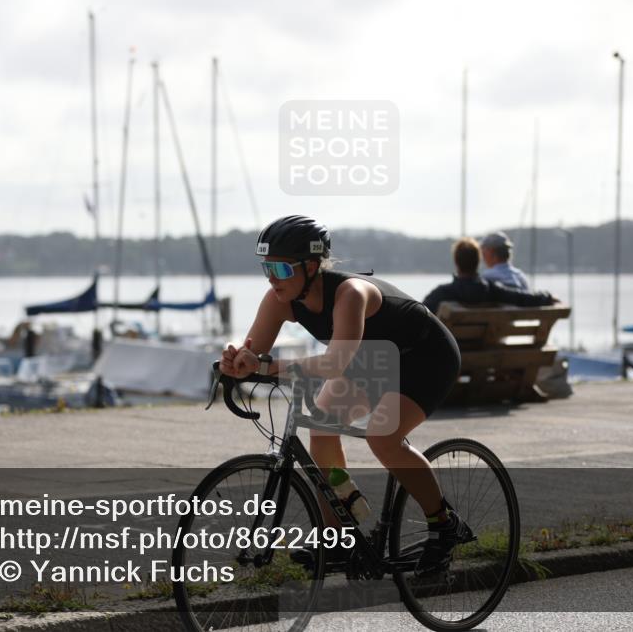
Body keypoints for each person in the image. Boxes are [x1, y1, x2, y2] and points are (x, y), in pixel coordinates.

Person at [220, 215, 469, 576]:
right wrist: (236, 362)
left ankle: (444, 524)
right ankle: (338, 537)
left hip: (425, 356)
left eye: (281, 269)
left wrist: (269, 367)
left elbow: (335, 362)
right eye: (266, 268)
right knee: (321, 427)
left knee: (383, 436)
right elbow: (254, 355)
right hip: (372, 361)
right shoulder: (279, 298)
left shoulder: (349, 294)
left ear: (310, 267)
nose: (272, 278)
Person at [423, 237, 557, 315]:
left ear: (456, 263)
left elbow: (418, 314)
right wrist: (547, 297)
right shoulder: (491, 290)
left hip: (454, 356)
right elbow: (523, 298)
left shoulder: (442, 293)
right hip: (486, 353)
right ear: (478, 262)